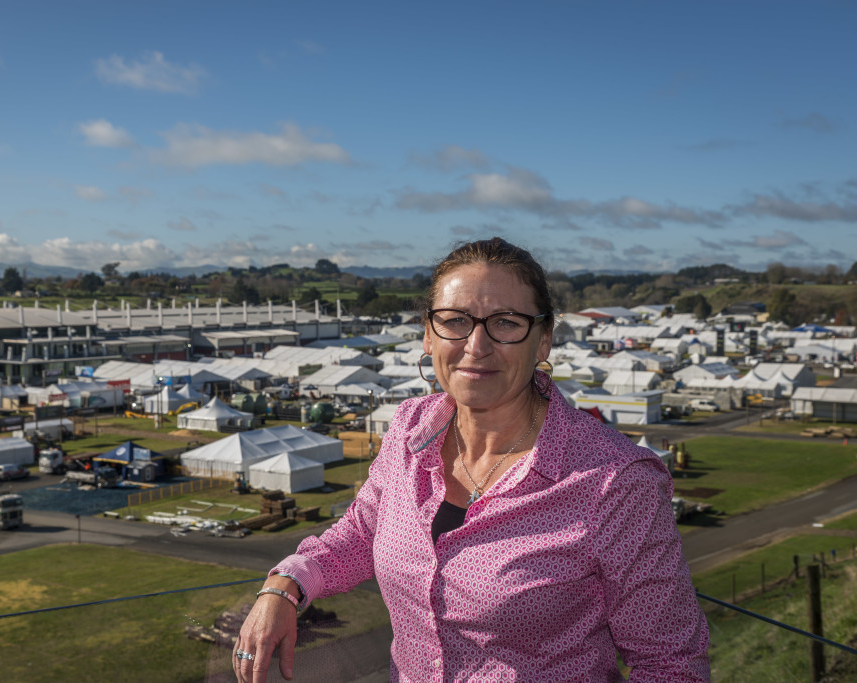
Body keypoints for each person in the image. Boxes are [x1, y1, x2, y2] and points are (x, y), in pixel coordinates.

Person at [234, 237, 709, 682]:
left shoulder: (615, 482)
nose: (476, 347)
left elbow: (670, 663)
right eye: (456, 320)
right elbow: (362, 533)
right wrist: (285, 585)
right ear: (428, 334)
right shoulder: (408, 431)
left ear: (543, 341)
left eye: (505, 323)